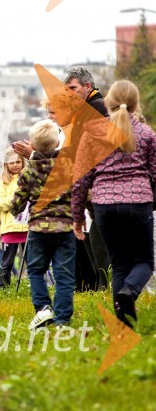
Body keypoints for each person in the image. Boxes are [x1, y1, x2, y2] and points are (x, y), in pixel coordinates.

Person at [14, 67, 111, 292]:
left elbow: (76, 153)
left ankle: (105, 293)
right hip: (84, 195)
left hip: (92, 192)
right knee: (91, 253)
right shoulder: (87, 110)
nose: (69, 94)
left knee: (98, 253)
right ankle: (98, 292)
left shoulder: (95, 110)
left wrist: (37, 155)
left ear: (88, 87)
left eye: (73, 89)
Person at [72, 80, 156, 328]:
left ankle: (123, 325)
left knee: (118, 264)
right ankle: (129, 292)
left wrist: (77, 217)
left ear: (108, 102)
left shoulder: (93, 134)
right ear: (135, 103)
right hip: (138, 203)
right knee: (145, 262)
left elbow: (80, 180)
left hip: (104, 206)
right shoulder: (147, 134)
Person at [9, 119, 76, 329]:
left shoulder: (28, 172)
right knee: (64, 275)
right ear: (57, 144)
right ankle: (63, 319)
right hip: (65, 228)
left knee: (36, 271)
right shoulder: (68, 167)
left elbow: (17, 204)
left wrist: (15, 209)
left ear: (33, 146)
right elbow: (81, 193)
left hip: (38, 230)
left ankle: (43, 309)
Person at [0, 148, 28, 288]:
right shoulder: (1, 183)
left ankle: (36, 288)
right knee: (6, 263)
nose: (15, 165)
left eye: (18, 161)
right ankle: (3, 289)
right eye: (12, 162)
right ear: (6, 164)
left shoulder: (28, 178)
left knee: (32, 261)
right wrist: (16, 199)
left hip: (27, 227)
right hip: (10, 229)